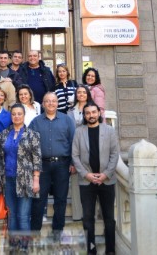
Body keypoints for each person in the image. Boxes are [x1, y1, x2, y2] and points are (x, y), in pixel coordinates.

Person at [72, 102, 119, 255]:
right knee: (87, 219)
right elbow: (75, 156)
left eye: (93, 112)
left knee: (109, 219)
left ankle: (110, 251)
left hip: (107, 181)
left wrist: (105, 174)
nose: (91, 115)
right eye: (87, 113)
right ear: (84, 115)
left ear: (99, 113)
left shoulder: (110, 131)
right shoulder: (79, 132)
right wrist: (87, 175)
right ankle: (91, 250)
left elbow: (114, 155)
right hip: (87, 182)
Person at [29, 92, 76, 236]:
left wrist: (73, 162)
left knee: (60, 199)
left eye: (53, 101)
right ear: (43, 104)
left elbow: (74, 142)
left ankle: (57, 231)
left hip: (62, 165)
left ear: (57, 103)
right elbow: (29, 144)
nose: (50, 104)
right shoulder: (36, 122)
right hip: (42, 166)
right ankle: (35, 231)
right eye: (47, 101)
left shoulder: (67, 120)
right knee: (38, 200)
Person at [0, 104, 41, 237]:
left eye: (19, 114)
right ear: (11, 116)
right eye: (14, 114)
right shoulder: (3, 135)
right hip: (8, 180)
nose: (16, 116)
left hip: (26, 180)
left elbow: (37, 158)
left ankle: (24, 248)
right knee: (12, 215)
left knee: (23, 216)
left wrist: (36, 180)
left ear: (23, 115)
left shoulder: (32, 135)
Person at [67, 85, 91, 221]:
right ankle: (77, 214)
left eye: (83, 92)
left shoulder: (93, 110)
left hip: (89, 150)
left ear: (87, 94)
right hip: (74, 150)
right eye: (79, 92)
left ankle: (90, 214)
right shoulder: (70, 111)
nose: (81, 94)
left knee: (90, 185)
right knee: (76, 183)